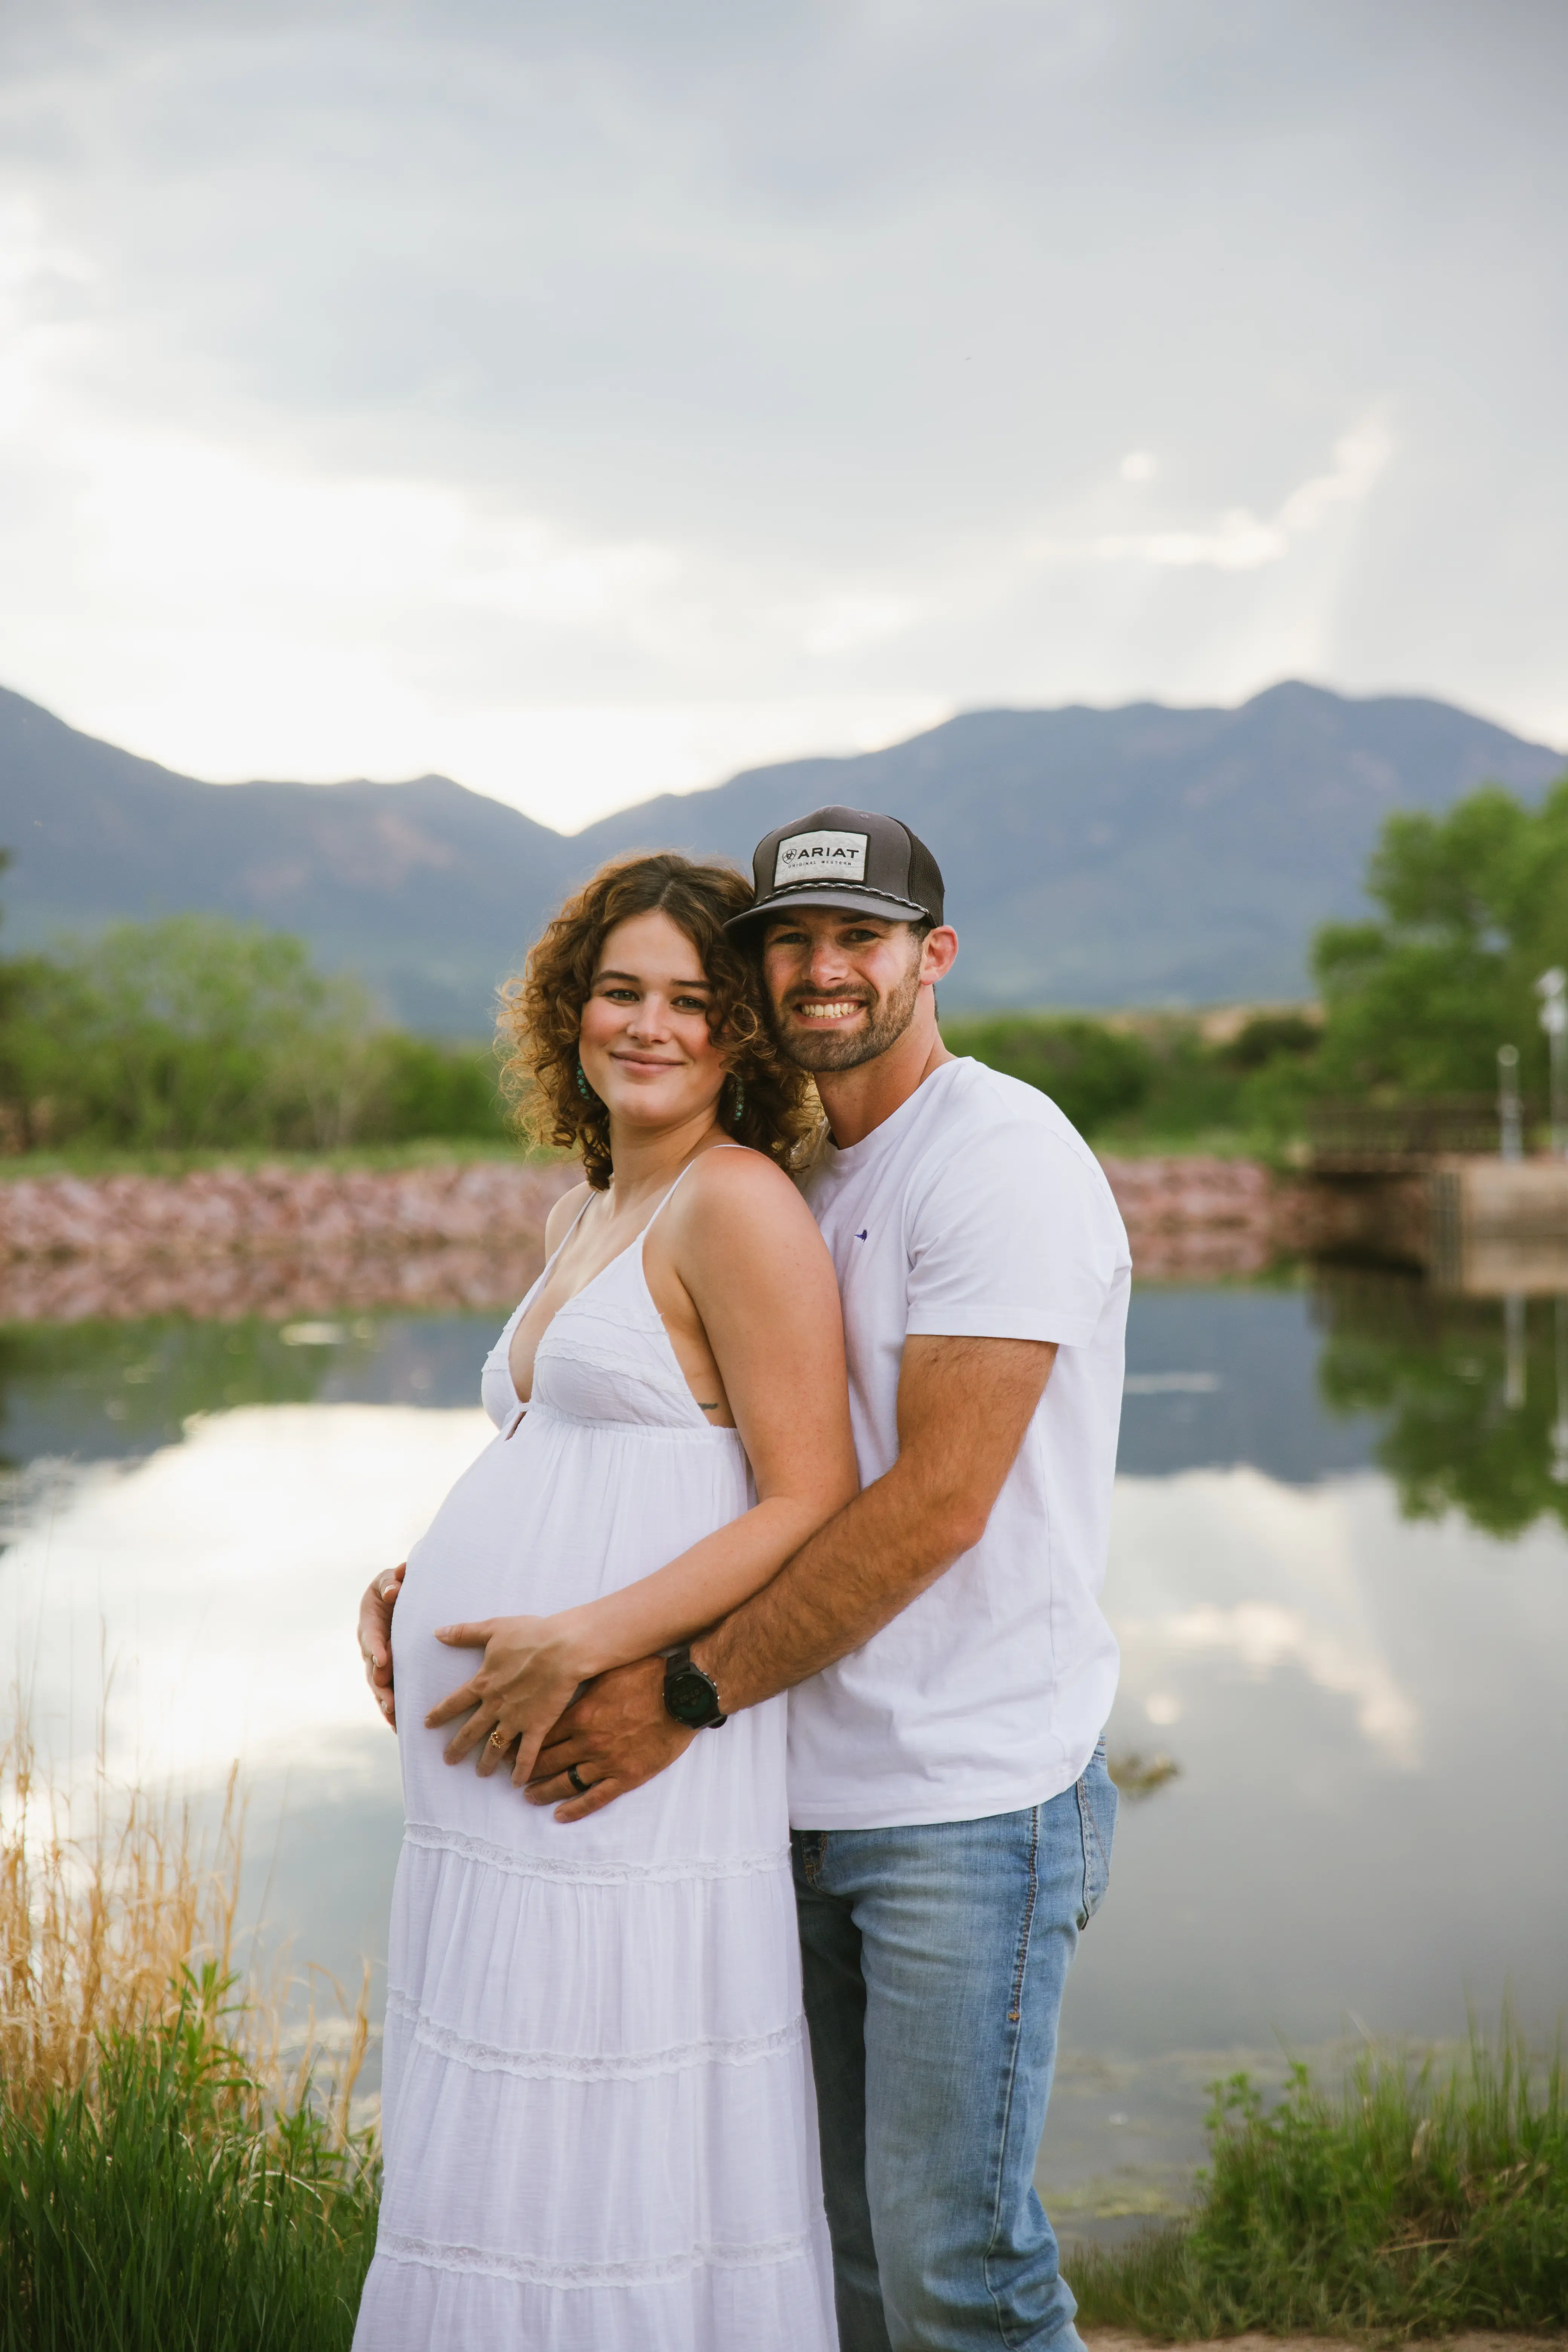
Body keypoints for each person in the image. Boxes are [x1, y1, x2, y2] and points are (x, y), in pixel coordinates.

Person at [505, 806, 1132, 2352]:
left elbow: (932, 1507)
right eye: (788, 939)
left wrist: (684, 1693)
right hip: (787, 1788)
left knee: (954, 2267)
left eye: (858, 937)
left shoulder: (996, 1156)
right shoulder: (800, 1172)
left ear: (933, 955)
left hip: (962, 1802)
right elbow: (684, 1461)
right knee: (836, 2263)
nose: (822, 969)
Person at [352, 851, 856, 2350]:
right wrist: (423, 1574)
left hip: (614, 1757)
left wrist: (580, 1633)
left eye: (691, 1002)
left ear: (740, 1037)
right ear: (567, 1007)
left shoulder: (737, 1202)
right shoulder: (593, 1198)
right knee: (503, 2110)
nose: (647, 1025)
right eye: (617, 990)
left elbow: (805, 1493)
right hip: (490, 1787)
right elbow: (564, 1444)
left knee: (616, 2095)